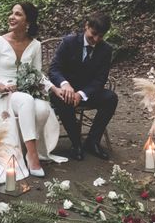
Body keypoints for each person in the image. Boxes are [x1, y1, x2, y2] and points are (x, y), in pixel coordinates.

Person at [0, 2, 68, 178]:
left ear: (27, 21)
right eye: (12, 13)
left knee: (43, 109)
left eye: (18, 14)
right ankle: (32, 156)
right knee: (26, 101)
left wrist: (54, 88)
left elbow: (38, 74)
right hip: (2, 92)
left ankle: (26, 147)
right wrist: (0, 85)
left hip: (25, 89)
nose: (11, 17)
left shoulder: (35, 45)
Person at [49, 12, 117, 161]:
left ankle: (92, 141)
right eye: (93, 34)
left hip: (87, 93)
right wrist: (65, 85)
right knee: (60, 98)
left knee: (111, 98)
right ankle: (76, 143)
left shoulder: (106, 50)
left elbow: (100, 79)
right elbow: (54, 69)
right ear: (86, 26)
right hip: (65, 92)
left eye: (101, 36)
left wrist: (81, 94)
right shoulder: (69, 42)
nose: (96, 39)